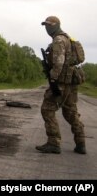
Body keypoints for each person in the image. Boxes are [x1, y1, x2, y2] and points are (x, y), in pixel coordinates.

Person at [36, 16, 86, 154]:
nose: (47, 27)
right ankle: (81, 143)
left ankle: (53, 142)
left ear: (56, 25)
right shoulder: (68, 38)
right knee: (71, 112)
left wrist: (53, 79)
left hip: (62, 82)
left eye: (49, 25)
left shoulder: (58, 40)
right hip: (71, 82)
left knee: (47, 109)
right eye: (45, 25)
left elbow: (59, 62)